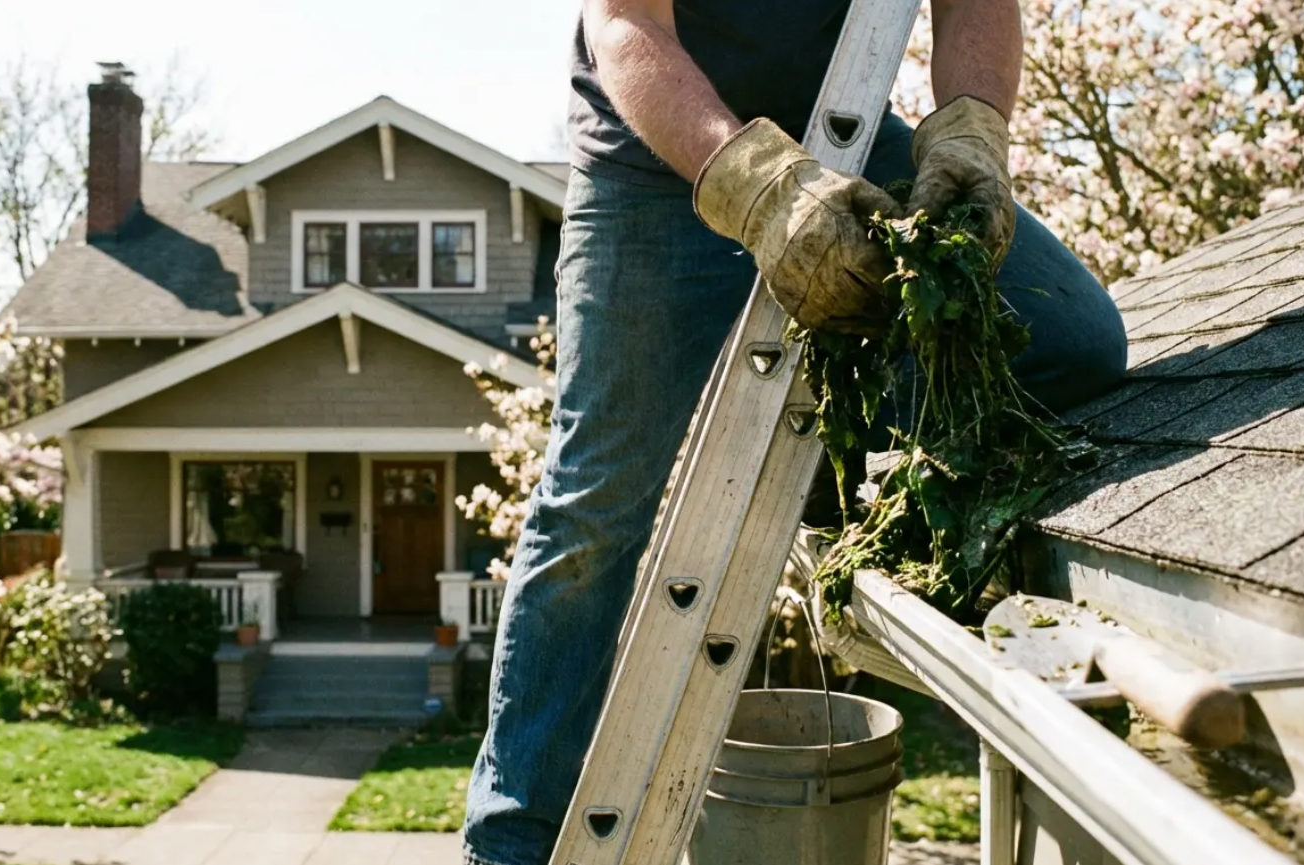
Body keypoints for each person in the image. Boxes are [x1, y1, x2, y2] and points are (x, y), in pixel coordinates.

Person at [462, 0, 1127, 862]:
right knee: (596, 502)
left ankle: (827, 471)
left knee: (1070, 340)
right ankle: (512, 836)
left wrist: (971, 130)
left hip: (845, 141)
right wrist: (756, 186)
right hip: (653, 170)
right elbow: (624, 26)